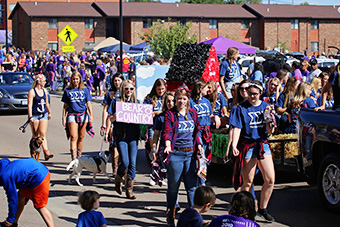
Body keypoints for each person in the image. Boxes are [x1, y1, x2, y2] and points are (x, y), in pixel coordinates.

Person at [230, 80, 276, 222]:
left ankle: (263, 208)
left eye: (255, 94)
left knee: (270, 179)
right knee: (248, 181)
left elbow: (270, 130)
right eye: (249, 93)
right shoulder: (241, 108)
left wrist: (271, 123)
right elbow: (237, 128)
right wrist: (234, 145)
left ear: (260, 93)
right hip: (248, 145)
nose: (252, 96)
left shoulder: (266, 107)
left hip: (262, 143)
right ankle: (245, 210)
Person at [163, 87, 204, 226]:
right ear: (175, 99)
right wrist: (168, 145)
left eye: (184, 99)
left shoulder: (193, 113)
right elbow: (167, 132)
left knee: (192, 187)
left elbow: (197, 131)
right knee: (173, 187)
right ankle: (171, 215)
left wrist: (199, 144)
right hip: (176, 154)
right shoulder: (170, 114)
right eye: (179, 98)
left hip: (190, 154)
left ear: (188, 100)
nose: (181, 101)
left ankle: (195, 217)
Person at [106, 80, 140, 200]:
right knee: (125, 161)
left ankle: (129, 188)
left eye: (131, 89)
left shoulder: (137, 102)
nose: (129, 91)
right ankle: (118, 178)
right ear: (122, 89)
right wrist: (114, 117)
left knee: (133, 163)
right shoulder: (116, 101)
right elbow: (110, 118)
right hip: (121, 135)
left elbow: (142, 116)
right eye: (126, 89)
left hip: (133, 136)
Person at [0, 158, 55, 227]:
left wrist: (10, 219)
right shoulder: (3, 165)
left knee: (40, 206)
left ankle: (11, 221)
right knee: (20, 197)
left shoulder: (5, 176)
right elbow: (5, 160)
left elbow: (12, 199)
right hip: (32, 172)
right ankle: (14, 223)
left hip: (40, 175)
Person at [190, 80, 220, 185]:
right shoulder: (191, 102)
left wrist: (216, 117)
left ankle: (201, 181)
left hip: (206, 132)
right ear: (199, 89)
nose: (208, 90)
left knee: (204, 158)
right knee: (199, 157)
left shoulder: (206, 102)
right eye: (206, 88)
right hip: (196, 132)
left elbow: (210, 116)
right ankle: (199, 182)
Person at [62, 72, 94, 160]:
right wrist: (63, 118)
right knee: (73, 137)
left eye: (77, 79)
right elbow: (65, 106)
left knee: (81, 137)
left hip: (83, 115)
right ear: (71, 80)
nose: (75, 81)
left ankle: (79, 157)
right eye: (73, 79)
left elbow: (88, 103)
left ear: (80, 80)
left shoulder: (85, 90)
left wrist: (91, 115)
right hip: (72, 114)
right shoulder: (68, 90)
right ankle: (74, 158)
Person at [150, 91, 175, 186]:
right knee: (163, 166)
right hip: (164, 147)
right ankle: (155, 175)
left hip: (177, 146)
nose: (171, 104)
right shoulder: (161, 117)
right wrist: (154, 148)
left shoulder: (180, 115)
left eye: (173, 101)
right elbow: (156, 134)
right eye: (168, 101)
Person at [102, 73, 124, 177]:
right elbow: (106, 109)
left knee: (122, 145)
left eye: (119, 80)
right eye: (115, 80)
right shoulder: (109, 94)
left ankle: (120, 166)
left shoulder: (126, 92)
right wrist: (104, 125)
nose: (117, 82)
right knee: (114, 144)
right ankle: (115, 168)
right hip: (112, 121)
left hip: (124, 122)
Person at [27, 74, 54, 161]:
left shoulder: (45, 91)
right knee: (35, 136)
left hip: (43, 114)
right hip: (35, 115)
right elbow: (30, 105)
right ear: (39, 82)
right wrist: (30, 116)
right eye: (44, 81)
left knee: (42, 134)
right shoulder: (32, 91)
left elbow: (46, 103)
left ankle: (46, 152)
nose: (45, 82)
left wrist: (49, 112)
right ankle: (33, 151)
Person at [143, 79, 167, 162]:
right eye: (159, 89)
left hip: (165, 126)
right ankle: (154, 158)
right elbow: (144, 111)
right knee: (154, 145)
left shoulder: (167, 98)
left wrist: (156, 112)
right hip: (153, 126)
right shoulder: (150, 99)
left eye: (162, 89)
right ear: (155, 88)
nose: (161, 91)